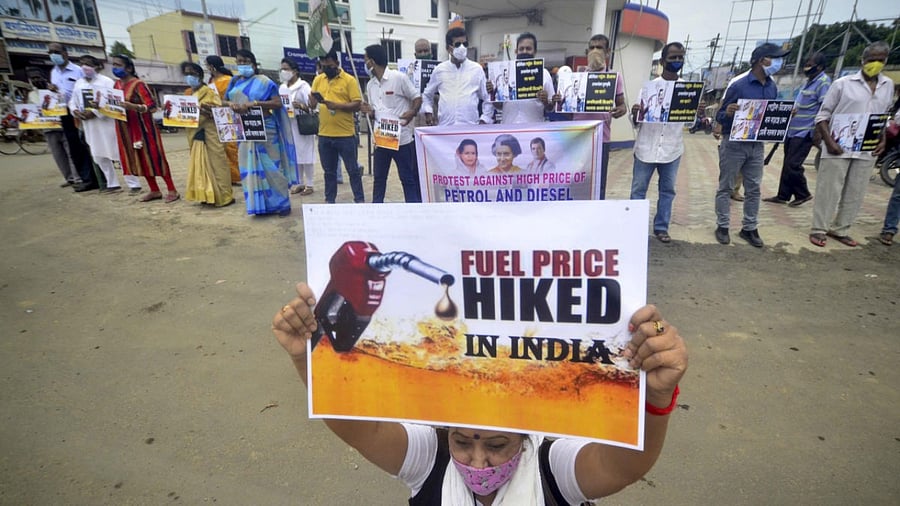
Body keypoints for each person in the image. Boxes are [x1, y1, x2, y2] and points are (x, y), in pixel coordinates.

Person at [272, 282, 687, 506]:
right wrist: (308, 360)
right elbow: (358, 428)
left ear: (526, 437)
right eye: (462, 441)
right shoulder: (427, 459)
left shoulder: (551, 466)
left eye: (497, 445)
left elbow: (622, 467)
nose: (477, 461)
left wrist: (656, 398)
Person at [809, 41, 894, 248]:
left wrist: (883, 139)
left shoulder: (887, 85)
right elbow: (822, 116)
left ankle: (841, 229)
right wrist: (829, 142)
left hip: (867, 147)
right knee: (829, 189)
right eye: (871, 60)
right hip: (839, 144)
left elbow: (883, 116)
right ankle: (819, 228)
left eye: (880, 60)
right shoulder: (842, 84)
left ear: (885, 61)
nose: (875, 64)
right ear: (862, 60)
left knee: (856, 191)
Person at [713, 43, 789, 247]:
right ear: (761, 59)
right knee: (726, 186)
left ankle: (749, 228)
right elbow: (720, 114)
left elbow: (770, 113)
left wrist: (784, 115)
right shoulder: (738, 85)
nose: (778, 62)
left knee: (754, 188)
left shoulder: (772, 86)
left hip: (756, 145)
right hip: (734, 143)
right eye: (774, 58)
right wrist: (727, 113)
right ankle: (722, 225)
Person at [224, 49, 299, 216]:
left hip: (266, 128)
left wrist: (255, 103)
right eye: (239, 61)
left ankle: (282, 204)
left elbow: (278, 103)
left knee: (272, 166)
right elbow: (224, 100)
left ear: (253, 63)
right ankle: (260, 207)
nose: (242, 64)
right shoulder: (234, 81)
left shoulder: (265, 81)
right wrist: (230, 105)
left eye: (245, 61)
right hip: (244, 129)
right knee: (250, 166)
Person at [629, 42, 687, 244]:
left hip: (672, 148)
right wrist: (636, 113)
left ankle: (661, 227)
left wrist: (698, 111)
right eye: (673, 58)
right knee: (638, 190)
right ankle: (634, 227)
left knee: (668, 190)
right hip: (646, 147)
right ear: (663, 61)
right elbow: (636, 121)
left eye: (680, 57)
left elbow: (692, 122)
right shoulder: (649, 87)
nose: (677, 61)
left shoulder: (687, 89)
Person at [763, 53, 831, 207]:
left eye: (810, 64)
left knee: (793, 164)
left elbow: (824, 108)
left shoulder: (823, 82)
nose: (806, 66)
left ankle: (803, 193)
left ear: (819, 66)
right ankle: (783, 195)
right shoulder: (809, 82)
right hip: (793, 130)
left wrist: (818, 132)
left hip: (806, 130)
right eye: (806, 63)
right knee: (787, 163)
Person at [111, 54, 178, 203]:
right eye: (113, 65)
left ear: (128, 68)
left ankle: (172, 189)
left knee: (155, 157)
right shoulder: (116, 85)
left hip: (143, 129)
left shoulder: (138, 84)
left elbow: (152, 107)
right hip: (125, 128)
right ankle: (154, 190)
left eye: (118, 65)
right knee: (139, 159)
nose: (115, 68)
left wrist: (134, 107)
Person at [360, 44, 423, 203]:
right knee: (379, 180)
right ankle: (377, 211)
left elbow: (417, 98)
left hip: (402, 140)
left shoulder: (398, 78)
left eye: (365, 59)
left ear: (372, 62)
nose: (364, 63)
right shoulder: (370, 85)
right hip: (382, 140)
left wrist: (412, 112)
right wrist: (370, 112)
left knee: (407, 179)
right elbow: (377, 112)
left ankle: (414, 210)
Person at [570, 34, 627, 199]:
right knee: (576, 179)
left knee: (598, 182)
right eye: (592, 47)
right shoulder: (578, 76)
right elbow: (566, 105)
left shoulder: (615, 77)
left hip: (602, 137)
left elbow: (621, 105)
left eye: (599, 48)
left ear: (607, 52)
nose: (595, 51)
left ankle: (596, 215)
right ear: (587, 51)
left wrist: (620, 110)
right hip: (577, 136)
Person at [311, 49, 366, 204]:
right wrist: (312, 99)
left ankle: (359, 201)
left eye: (329, 65)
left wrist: (337, 105)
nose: (326, 68)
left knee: (353, 171)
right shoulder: (318, 80)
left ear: (336, 63)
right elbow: (312, 104)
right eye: (323, 65)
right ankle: (330, 201)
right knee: (329, 172)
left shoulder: (349, 80)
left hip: (345, 135)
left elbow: (357, 104)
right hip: (324, 135)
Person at [180, 61, 234, 207]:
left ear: (200, 75)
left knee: (217, 164)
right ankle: (206, 195)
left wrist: (204, 109)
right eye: (187, 74)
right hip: (194, 133)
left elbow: (218, 112)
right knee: (200, 165)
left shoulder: (209, 91)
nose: (190, 76)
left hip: (210, 133)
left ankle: (224, 196)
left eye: (193, 73)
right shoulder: (187, 94)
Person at [47, 43, 98, 192]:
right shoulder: (53, 72)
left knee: (86, 144)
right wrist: (53, 90)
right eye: (50, 52)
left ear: (65, 53)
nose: (53, 54)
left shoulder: (78, 71)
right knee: (74, 147)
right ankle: (85, 178)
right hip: (65, 113)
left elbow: (88, 89)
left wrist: (89, 111)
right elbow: (58, 95)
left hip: (82, 113)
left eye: (56, 51)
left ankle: (95, 178)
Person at [69, 55, 123, 194]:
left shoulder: (106, 82)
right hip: (89, 125)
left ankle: (132, 182)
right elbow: (72, 101)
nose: (84, 67)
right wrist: (75, 111)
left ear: (97, 66)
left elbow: (113, 100)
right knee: (98, 155)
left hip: (106, 122)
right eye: (81, 64)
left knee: (116, 152)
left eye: (87, 64)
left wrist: (95, 112)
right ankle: (112, 183)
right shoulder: (79, 83)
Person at [422, 27, 493, 126]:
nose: (462, 47)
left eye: (465, 44)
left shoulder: (477, 69)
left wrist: (484, 119)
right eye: (458, 44)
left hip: (470, 129)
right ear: (448, 48)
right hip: (445, 129)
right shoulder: (439, 70)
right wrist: (428, 112)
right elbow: (427, 94)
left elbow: (487, 98)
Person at [488, 33, 555, 124]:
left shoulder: (544, 74)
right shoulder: (506, 73)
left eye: (528, 49)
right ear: (516, 51)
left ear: (535, 51)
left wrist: (546, 101)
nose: (524, 51)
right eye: (521, 49)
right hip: (508, 127)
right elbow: (499, 106)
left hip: (534, 129)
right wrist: (492, 94)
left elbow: (550, 108)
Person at [279, 58, 317, 197]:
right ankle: (299, 182)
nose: (283, 72)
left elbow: (313, 107)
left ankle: (310, 183)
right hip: (288, 124)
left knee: (306, 154)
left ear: (294, 71)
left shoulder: (303, 86)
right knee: (295, 155)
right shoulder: (282, 87)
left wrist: (300, 106)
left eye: (286, 69)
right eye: (282, 69)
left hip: (302, 124)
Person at [206, 55, 241, 185]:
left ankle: (238, 175)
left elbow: (234, 98)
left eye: (208, 65)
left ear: (212, 66)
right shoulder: (210, 82)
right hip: (215, 116)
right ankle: (228, 175)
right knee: (221, 148)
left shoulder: (228, 80)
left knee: (232, 147)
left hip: (229, 114)